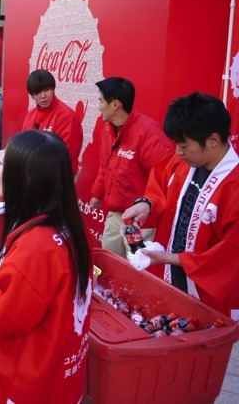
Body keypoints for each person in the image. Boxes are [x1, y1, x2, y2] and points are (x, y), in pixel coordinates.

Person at [0, 130, 92, 403]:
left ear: (26, 179)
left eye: (2, 164)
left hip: (23, 380)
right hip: (59, 372)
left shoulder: (37, 246)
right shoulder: (69, 228)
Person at [122, 92, 239, 316]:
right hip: (167, 275)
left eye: (184, 145)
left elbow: (228, 256)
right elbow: (160, 190)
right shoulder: (183, 161)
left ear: (213, 140)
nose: (177, 152)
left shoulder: (234, 186)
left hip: (205, 293)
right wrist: (147, 204)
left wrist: (168, 258)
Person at [88, 77, 173, 258]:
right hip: (115, 215)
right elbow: (105, 166)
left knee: (137, 269)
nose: (99, 106)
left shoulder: (149, 133)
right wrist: (97, 194)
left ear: (115, 105)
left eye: (101, 101)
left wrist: (147, 208)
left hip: (140, 221)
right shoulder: (108, 129)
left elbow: (165, 179)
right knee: (108, 262)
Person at [20, 69, 83, 175]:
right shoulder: (30, 115)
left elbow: (66, 153)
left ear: (53, 89)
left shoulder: (67, 116)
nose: (43, 96)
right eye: (38, 92)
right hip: (35, 173)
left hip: (59, 176)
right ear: (32, 96)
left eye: (46, 90)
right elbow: (23, 145)